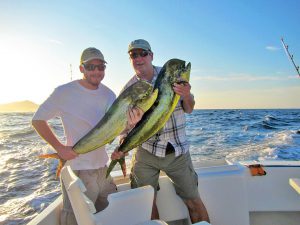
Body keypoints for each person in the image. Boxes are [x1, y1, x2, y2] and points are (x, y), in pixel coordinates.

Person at [32, 47, 140, 225]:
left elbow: (116, 129)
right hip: (78, 170)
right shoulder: (63, 92)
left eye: (101, 67)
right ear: (81, 68)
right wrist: (59, 148)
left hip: (103, 170)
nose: (97, 71)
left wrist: (131, 123)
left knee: (112, 217)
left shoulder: (109, 94)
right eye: (91, 66)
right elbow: (37, 120)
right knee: (76, 219)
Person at [112, 39, 210, 223]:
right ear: (130, 59)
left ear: (151, 55)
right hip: (146, 153)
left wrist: (187, 95)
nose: (139, 58)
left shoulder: (172, 74)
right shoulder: (128, 89)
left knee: (194, 201)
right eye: (134, 54)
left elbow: (189, 108)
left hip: (177, 151)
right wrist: (122, 144)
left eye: (143, 53)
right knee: (146, 205)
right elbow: (123, 128)